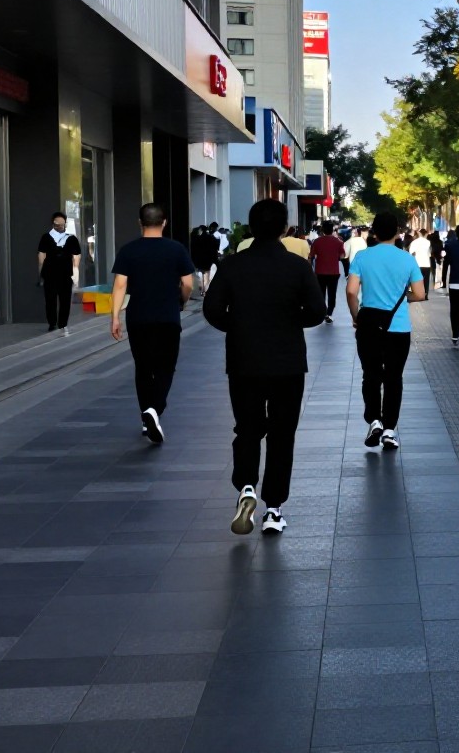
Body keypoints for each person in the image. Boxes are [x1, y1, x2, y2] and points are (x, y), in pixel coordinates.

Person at [203, 199, 326, 535]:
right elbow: (317, 310)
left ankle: (246, 486)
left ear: (251, 227)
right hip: (287, 363)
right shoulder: (297, 267)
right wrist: (290, 322)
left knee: (247, 427)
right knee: (282, 433)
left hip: (244, 362)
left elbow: (212, 310)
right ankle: (274, 508)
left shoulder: (232, 266)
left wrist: (239, 326)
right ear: (285, 229)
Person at [110, 204, 196, 445]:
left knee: (143, 367)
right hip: (168, 317)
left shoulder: (129, 250)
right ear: (164, 222)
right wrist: (182, 300)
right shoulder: (176, 249)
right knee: (166, 367)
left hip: (138, 317)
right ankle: (154, 410)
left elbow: (119, 285)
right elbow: (188, 284)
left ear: (140, 223)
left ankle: (146, 414)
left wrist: (115, 316)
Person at [348, 212, 426, 450]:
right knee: (394, 378)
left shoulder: (362, 257)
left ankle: (374, 420)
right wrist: (404, 300)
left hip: (369, 324)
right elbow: (420, 294)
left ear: (374, 232)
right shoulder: (407, 259)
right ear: (397, 232)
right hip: (399, 327)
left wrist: (356, 317)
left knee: (370, 374)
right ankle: (390, 430)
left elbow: (351, 292)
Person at [37, 211, 82, 335]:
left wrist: (76, 271)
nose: (59, 226)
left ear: (65, 223)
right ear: (53, 224)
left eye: (61, 224)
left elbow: (77, 255)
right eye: (57, 224)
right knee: (50, 300)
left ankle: (62, 324)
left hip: (66, 274)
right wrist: (41, 273)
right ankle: (52, 323)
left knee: (65, 300)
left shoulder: (71, 238)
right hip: (50, 273)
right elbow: (41, 255)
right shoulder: (46, 237)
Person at [309, 221, 346, 324]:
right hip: (333, 272)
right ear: (332, 229)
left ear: (322, 230)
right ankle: (329, 313)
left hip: (320, 272)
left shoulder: (316, 241)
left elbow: (311, 255)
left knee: (321, 293)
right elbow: (343, 256)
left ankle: (323, 312)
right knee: (332, 294)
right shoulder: (338, 242)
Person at [190, 225, 219, 297]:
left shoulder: (196, 239)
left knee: (200, 274)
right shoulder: (211, 238)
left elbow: (193, 250)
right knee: (207, 274)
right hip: (208, 259)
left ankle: (202, 288)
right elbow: (215, 248)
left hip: (199, 259)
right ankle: (205, 289)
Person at [409, 228, 433, 298]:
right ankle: (425, 295)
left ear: (419, 233)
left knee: (417, 279)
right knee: (426, 281)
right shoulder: (428, 242)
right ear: (425, 234)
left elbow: (411, 253)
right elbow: (429, 254)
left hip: (417, 264)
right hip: (426, 264)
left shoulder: (414, 242)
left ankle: (417, 294)